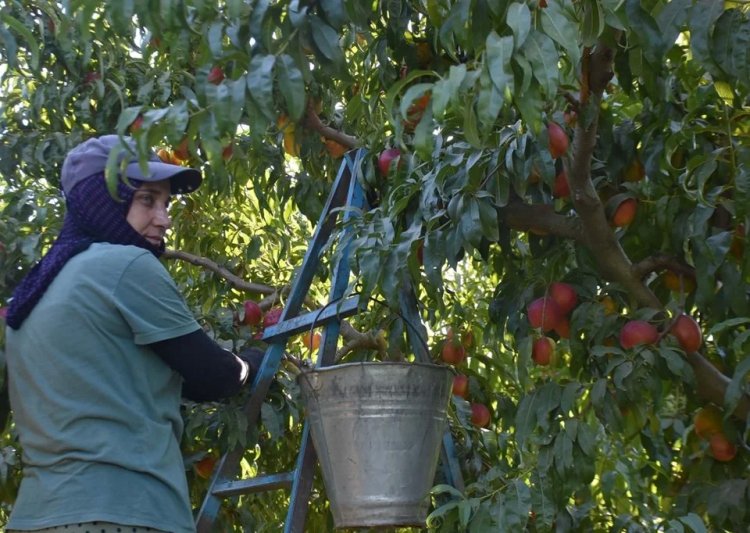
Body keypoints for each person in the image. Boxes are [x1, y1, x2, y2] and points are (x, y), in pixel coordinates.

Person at [3, 135, 264, 533]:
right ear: (99, 198)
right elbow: (214, 376)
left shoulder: (31, 295)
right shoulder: (126, 265)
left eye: (166, 203)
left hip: (35, 516)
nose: (164, 218)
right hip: (124, 511)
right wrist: (250, 364)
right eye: (146, 200)